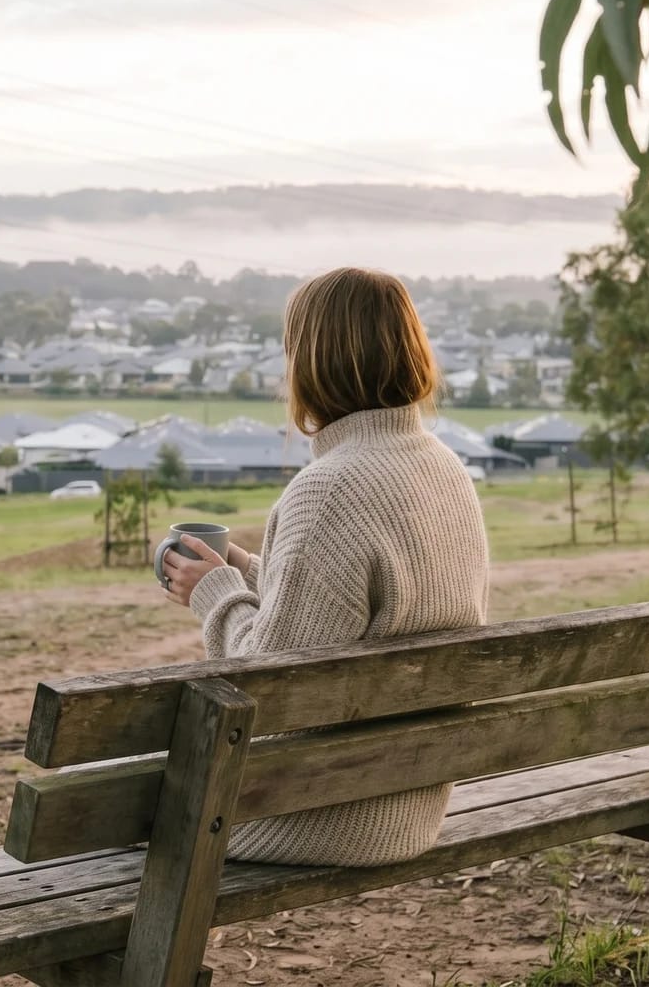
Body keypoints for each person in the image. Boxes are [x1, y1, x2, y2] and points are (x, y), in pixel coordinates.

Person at [158, 266, 490, 867]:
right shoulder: (445, 468)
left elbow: (269, 682)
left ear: (312, 362)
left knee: (133, 790)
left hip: (325, 810)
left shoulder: (329, 489)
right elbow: (352, 610)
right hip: (411, 799)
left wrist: (216, 596)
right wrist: (242, 568)